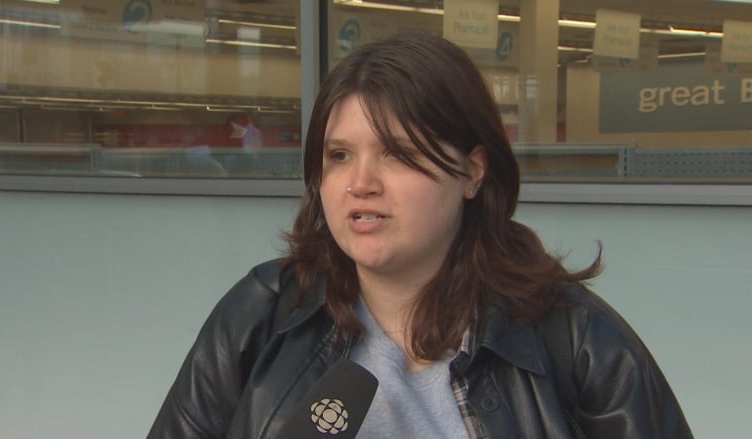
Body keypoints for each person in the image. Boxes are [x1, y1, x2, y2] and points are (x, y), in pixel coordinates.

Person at [148, 32, 692, 438]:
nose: (360, 184)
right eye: (339, 156)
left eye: (398, 154)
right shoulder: (261, 316)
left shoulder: (576, 342)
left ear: (473, 172)